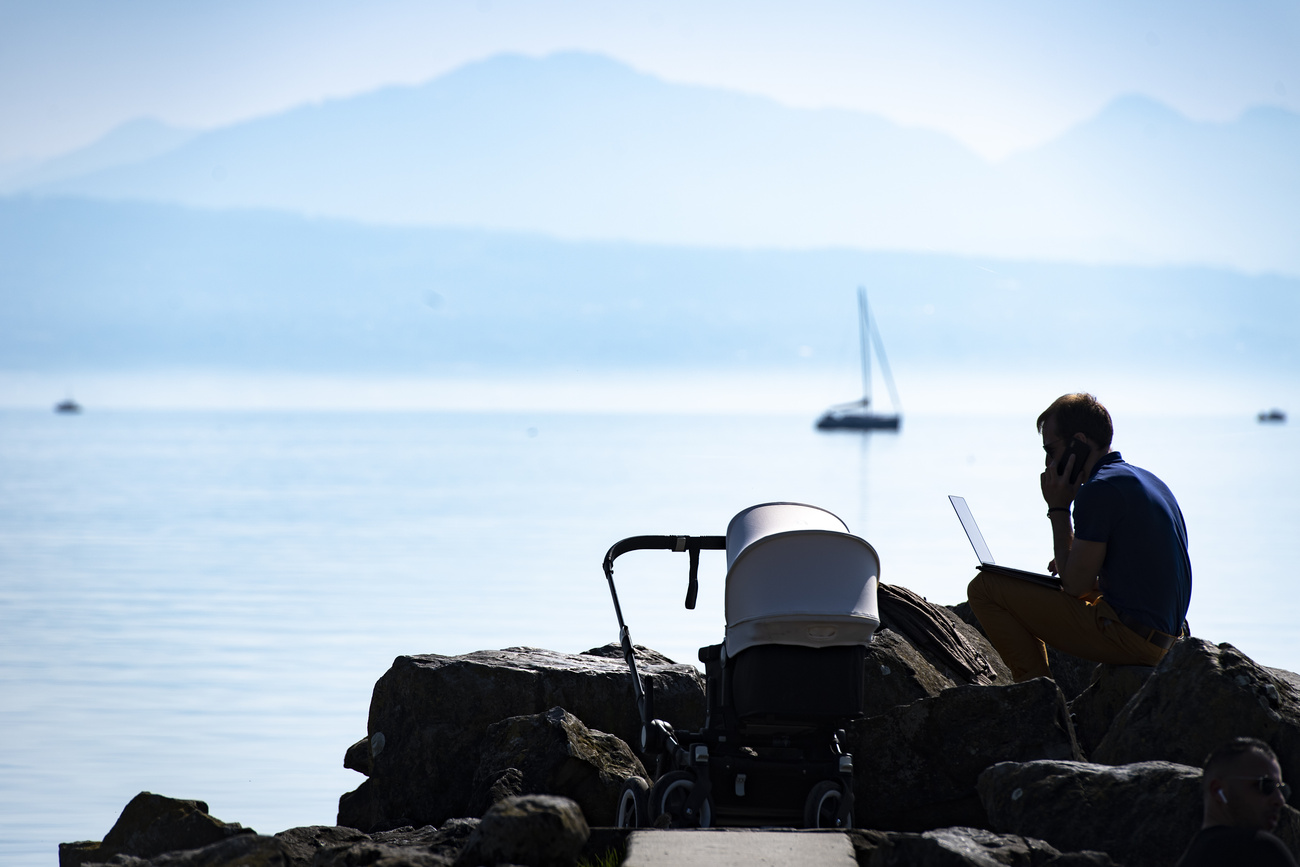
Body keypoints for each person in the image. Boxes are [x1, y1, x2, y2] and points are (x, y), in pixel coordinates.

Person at [967, 392, 1191, 682]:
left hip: (1133, 641)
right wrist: (1076, 560)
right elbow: (1138, 574)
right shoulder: (1149, 481)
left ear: (1078, 443)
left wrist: (1058, 507)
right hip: (1168, 640)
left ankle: (1035, 695)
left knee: (985, 587)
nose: (1048, 463)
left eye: (1051, 450)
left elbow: (1074, 586)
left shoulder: (1099, 490)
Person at [1176, 737, 1297, 866]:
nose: (1280, 800)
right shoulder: (1259, 848)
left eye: (1283, 790)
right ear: (1218, 790)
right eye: (1266, 786)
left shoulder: (1189, 859)